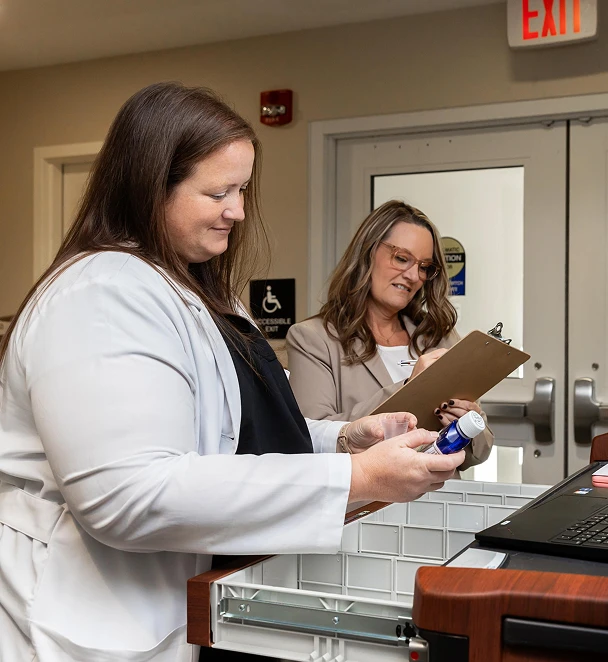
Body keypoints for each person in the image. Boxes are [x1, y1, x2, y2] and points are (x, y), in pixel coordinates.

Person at [0, 83, 465, 662]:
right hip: (87, 619)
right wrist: (358, 478)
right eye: (218, 192)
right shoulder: (99, 294)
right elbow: (129, 495)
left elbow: (228, 431)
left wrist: (346, 439)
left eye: (242, 189)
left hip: (179, 602)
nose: (238, 211)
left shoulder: (198, 291)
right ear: (150, 187)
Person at [287, 200, 493, 472]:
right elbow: (311, 439)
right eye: (402, 258)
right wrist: (413, 387)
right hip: (367, 495)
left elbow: (479, 453)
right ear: (367, 253)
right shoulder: (313, 339)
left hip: (439, 494)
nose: (413, 276)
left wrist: (469, 423)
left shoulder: (439, 337)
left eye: (424, 267)